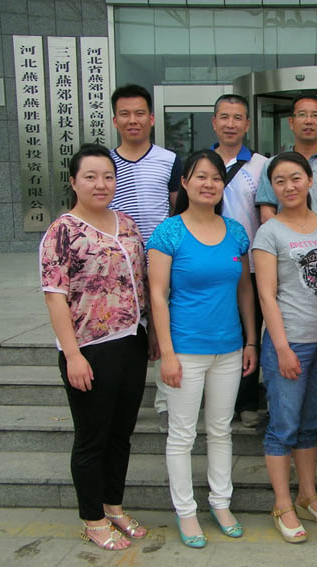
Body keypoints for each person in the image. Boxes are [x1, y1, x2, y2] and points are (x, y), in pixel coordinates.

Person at [40, 144, 157, 551]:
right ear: (74, 182)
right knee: (92, 437)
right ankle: (92, 518)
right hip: (89, 349)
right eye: (90, 176)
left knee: (121, 434)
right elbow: (55, 296)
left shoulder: (126, 224)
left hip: (132, 342)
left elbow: (140, 282)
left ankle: (113, 506)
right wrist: (72, 354)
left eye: (107, 176)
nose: (100, 184)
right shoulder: (62, 231)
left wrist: (150, 332)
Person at [147, 149, 257, 548]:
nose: (208, 184)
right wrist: (168, 353)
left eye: (215, 177)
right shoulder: (168, 232)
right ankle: (186, 512)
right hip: (185, 350)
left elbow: (245, 290)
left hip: (228, 348)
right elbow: (157, 296)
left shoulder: (235, 231)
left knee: (220, 430)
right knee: (181, 435)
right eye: (200, 176)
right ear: (184, 183)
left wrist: (250, 340)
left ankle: (221, 503)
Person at [253, 151, 317, 544]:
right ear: (272, 188)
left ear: (310, 180)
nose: (289, 187)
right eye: (280, 181)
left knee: (310, 426)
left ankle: (308, 495)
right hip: (290, 343)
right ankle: (283, 504)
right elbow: (267, 296)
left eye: (295, 178)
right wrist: (282, 348)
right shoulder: (269, 232)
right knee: (283, 427)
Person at [109, 83, 183, 434]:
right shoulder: (105, 163)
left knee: (165, 327)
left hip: (161, 259)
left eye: (139, 113)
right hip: (117, 265)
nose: (133, 120)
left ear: (151, 118)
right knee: (124, 332)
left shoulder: (169, 160)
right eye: (125, 114)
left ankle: (166, 403)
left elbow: (177, 209)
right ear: (115, 120)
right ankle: (121, 400)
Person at [211, 93, 269, 428]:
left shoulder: (262, 165)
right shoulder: (202, 163)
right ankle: (220, 400)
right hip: (212, 265)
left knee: (251, 332)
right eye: (224, 117)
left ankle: (247, 401)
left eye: (237, 118)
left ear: (247, 124)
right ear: (214, 122)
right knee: (220, 330)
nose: (230, 124)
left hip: (252, 266)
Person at [256, 94, 317, 228]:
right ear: (291, 122)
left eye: (315, 115)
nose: (308, 121)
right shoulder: (271, 165)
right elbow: (266, 213)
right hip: (283, 240)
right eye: (302, 115)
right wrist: (289, 236)